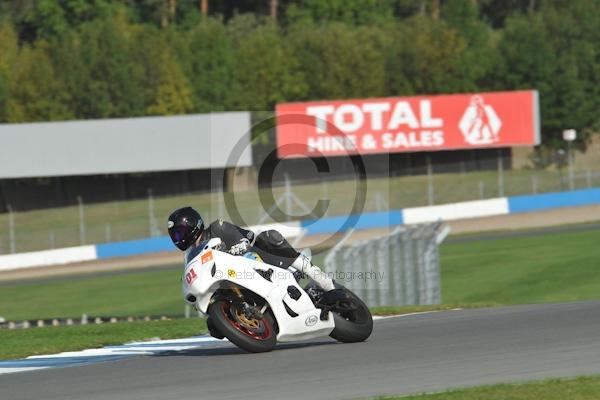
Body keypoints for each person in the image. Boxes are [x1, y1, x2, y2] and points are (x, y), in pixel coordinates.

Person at [167, 206, 345, 303]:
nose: (178, 237)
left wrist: (238, 247)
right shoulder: (190, 256)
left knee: (269, 237)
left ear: (193, 225)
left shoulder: (217, 227)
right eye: (175, 235)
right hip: (235, 281)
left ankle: (325, 283)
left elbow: (246, 238)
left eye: (180, 232)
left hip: (254, 263)